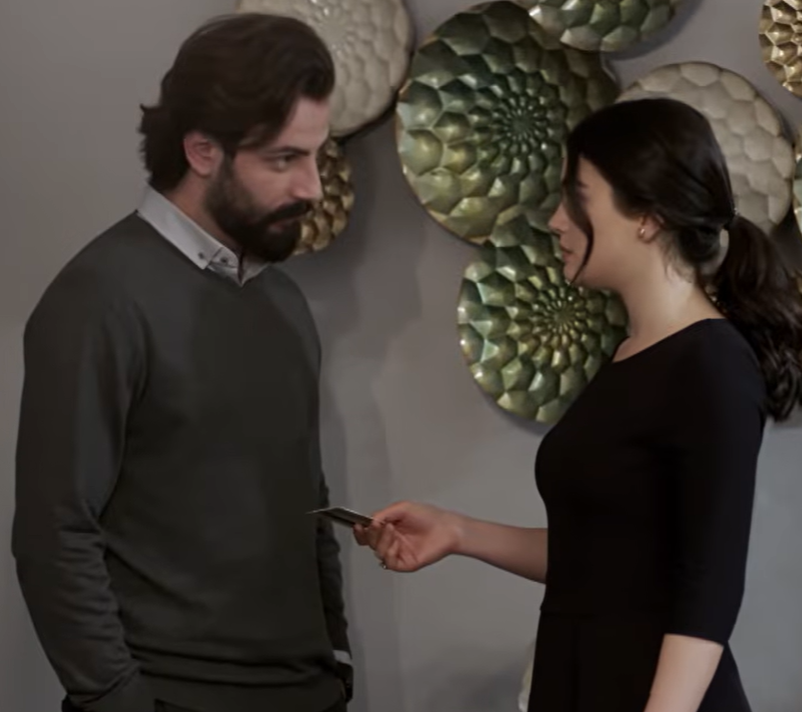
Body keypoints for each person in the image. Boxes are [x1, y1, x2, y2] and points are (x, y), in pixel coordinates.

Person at [355, 97, 802, 712]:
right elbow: (602, 556)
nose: (556, 221)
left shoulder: (713, 364)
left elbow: (710, 587)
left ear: (647, 217)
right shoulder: (631, 354)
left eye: (577, 198)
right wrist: (457, 532)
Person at [13, 13, 353, 712]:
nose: (313, 187)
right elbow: (55, 532)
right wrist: (117, 697)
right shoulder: (100, 297)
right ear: (202, 150)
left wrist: (337, 659)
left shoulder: (284, 302)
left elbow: (308, 506)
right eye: (284, 159)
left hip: (308, 693)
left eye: (316, 156)